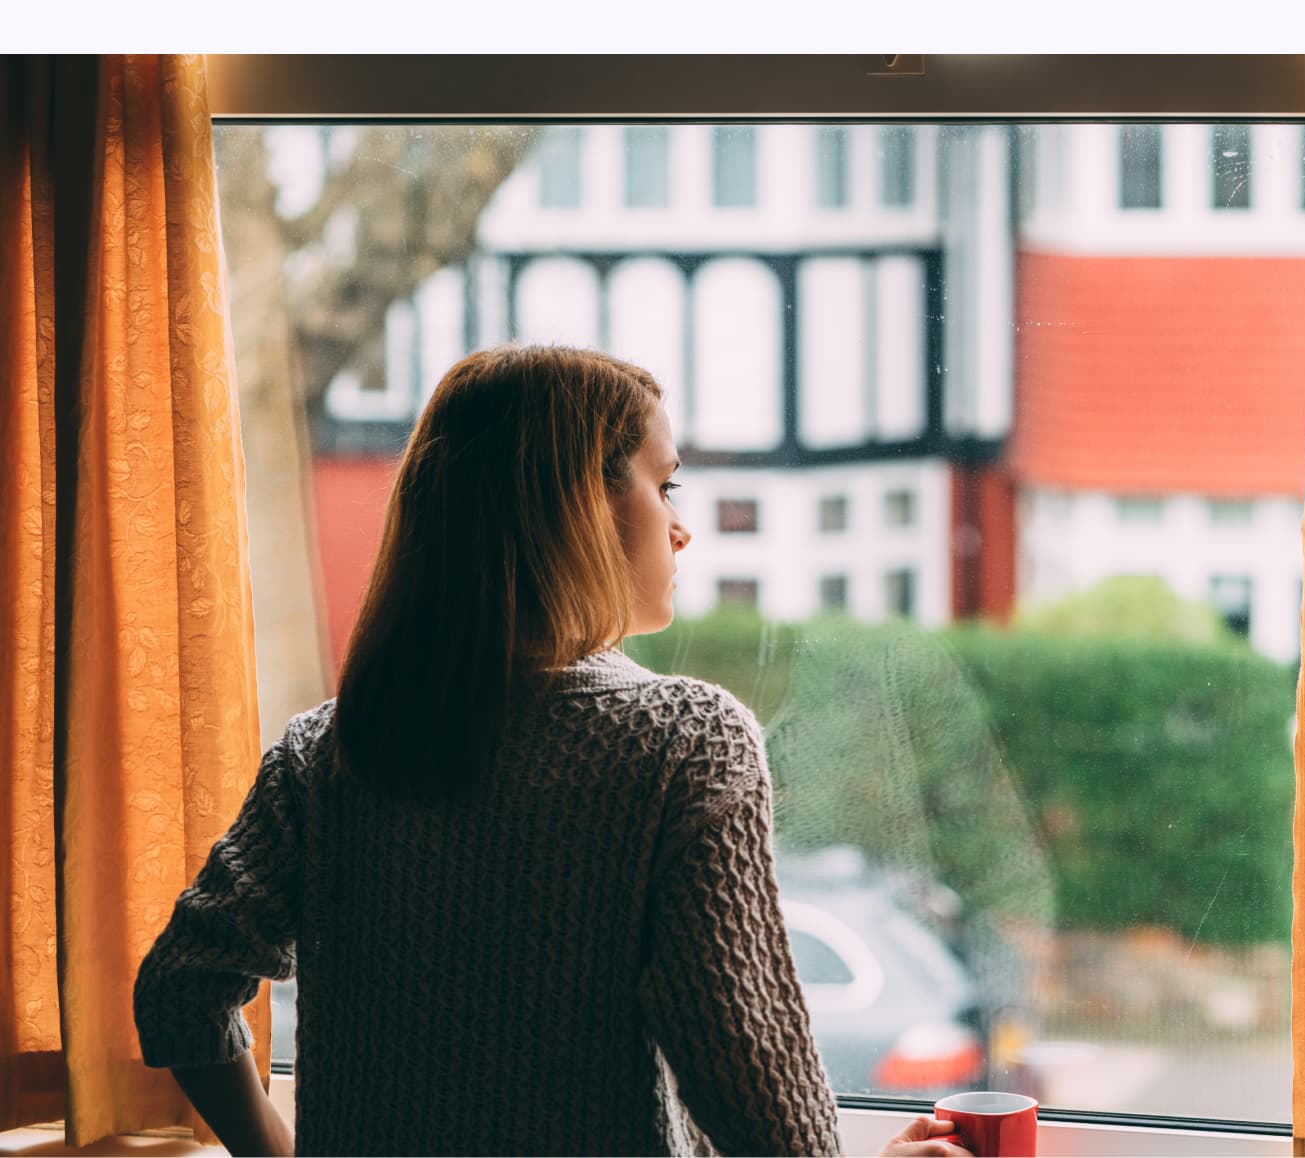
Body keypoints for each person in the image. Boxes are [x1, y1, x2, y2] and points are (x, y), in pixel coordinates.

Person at [132, 345, 973, 1158]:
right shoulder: (685, 744)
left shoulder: (328, 751)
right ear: (577, 504)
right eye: (663, 484)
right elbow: (762, 1104)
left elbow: (180, 986)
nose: (681, 529)